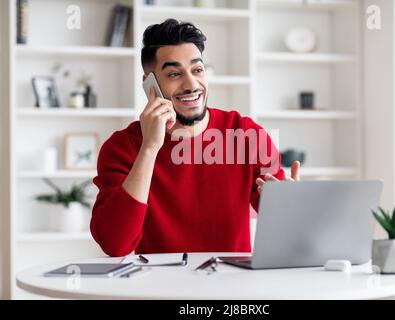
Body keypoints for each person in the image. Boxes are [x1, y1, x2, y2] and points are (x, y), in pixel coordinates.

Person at [90, 18, 300, 257]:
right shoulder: (122, 147)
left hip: (232, 288)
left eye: (197, 70)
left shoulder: (245, 135)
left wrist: (288, 205)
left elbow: (287, 229)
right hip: (156, 290)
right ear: (150, 84)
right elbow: (115, 244)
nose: (191, 84)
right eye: (174, 73)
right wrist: (150, 147)